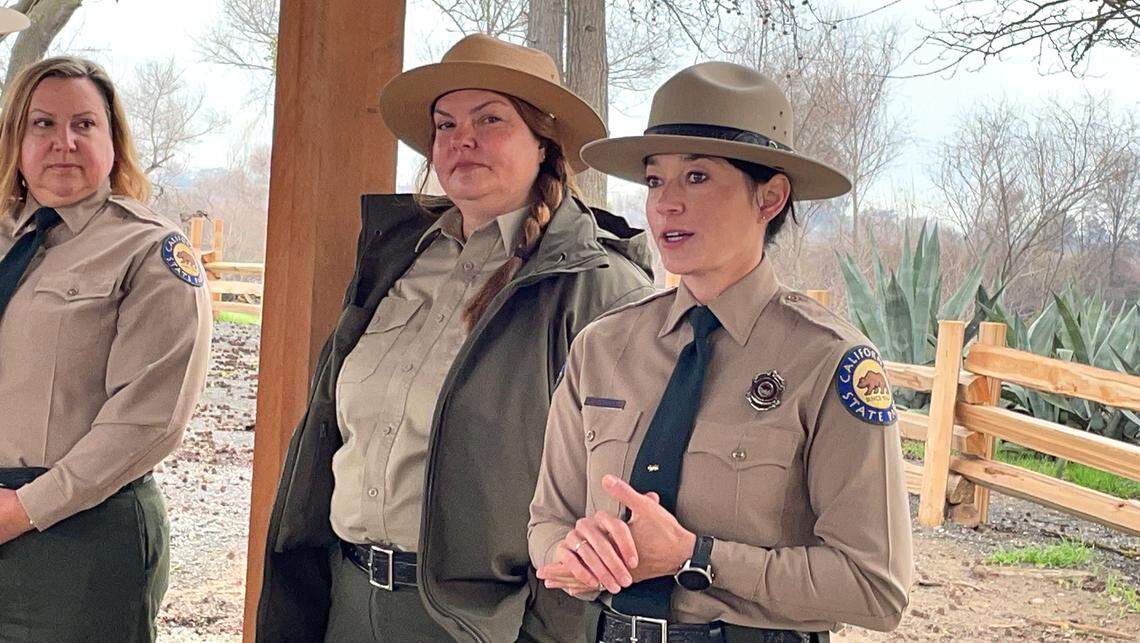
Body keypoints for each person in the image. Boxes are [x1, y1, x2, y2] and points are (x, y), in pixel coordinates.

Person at [256, 34, 655, 642]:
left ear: (543, 144)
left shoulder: (599, 287)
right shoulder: (393, 258)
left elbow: (611, 499)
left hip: (480, 625)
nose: (461, 138)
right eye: (446, 124)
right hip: (346, 600)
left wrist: (543, 631)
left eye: (490, 120)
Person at [529, 62, 912, 643]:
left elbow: (875, 588)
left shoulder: (829, 361)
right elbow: (547, 521)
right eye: (656, 181)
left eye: (698, 177)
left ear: (771, 196)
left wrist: (695, 556)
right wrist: (572, 553)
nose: (666, 205)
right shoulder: (602, 348)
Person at [0, 56, 212, 642]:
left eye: (84, 125)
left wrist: (22, 510)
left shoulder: (150, 253)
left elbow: (149, 420)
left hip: (78, 537)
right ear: (16, 138)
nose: (63, 142)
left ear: (113, 141)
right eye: (42, 124)